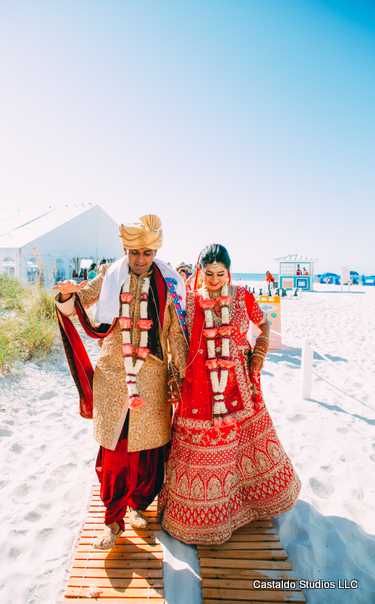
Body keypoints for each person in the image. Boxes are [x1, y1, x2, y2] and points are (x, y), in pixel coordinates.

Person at [53, 215, 188, 550]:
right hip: (114, 373)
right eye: (134, 252)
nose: (140, 259)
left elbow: (174, 331)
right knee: (114, 448)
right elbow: (77, 305)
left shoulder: (170, 283)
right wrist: (67, 295)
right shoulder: (110, 276)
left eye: (147, 252)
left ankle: (139, 506)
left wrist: (180, 376)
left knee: (148, 449)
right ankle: (113, 520)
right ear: (125, 250)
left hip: (153, 374)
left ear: (155, 250)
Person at [159, 244, 301, 545]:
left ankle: (243, 505)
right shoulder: (190, 301)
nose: (214, 279)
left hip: (238, 382)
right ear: (200, 271)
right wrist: (176, 376)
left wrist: (259, 355)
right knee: (202, 448)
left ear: (229, 271)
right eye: (208, 273)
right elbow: (175, 337)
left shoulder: (242, 296)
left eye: (220, 273)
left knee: (237, 446)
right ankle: (201, 518)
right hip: (198, 384)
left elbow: (264, 325)